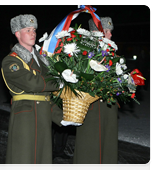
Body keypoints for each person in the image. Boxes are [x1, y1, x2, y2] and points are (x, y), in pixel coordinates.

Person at [1, 14, 64, 170]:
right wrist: (59, 81)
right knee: (23, 161)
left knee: (42, 162)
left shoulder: (42, 60)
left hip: (43, 120)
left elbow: (45, 98)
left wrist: (63, 118)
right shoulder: (11, 61)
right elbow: (34, 84)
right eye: (27, 30)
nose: (33, 33)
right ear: (17, 33)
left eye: (34, 30)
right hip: (25, 119)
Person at [73, 17, 119, 170]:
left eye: (110, 32)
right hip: (90, 111)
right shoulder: (83, 53)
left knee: (108, 153)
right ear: (95, 33)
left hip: (108, 111)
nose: (110, 35)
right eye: (106, 31)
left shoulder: (113, 56)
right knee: (88, 155)